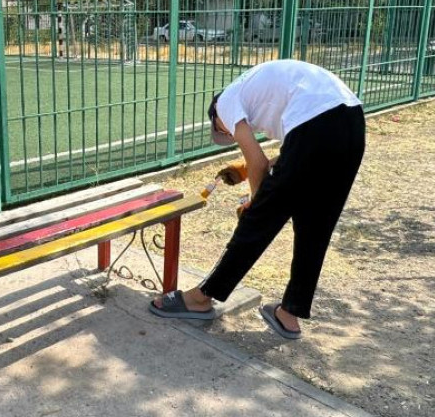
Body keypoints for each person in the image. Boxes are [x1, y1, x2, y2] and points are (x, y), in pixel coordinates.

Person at [149, 59, 365, 339]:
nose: (228, 133)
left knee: (256, 222)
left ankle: (202, 298)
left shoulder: (226, 101)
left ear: (217, 116)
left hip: (316, 125)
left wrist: (255, 201)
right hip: (352, 123)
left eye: (224, 131)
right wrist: (252, 173)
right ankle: (290, 313)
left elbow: (258, 161)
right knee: (315, 227)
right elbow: (299, 156)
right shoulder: (265, 89)